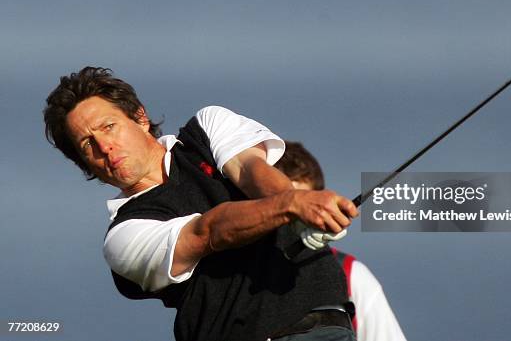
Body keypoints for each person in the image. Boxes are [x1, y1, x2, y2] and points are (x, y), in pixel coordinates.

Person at [43, 67, 360, 341]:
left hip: (323, 325)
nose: (105, 146)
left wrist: (301, 206)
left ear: (139, 117)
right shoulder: (123, 237)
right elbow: (208, 231)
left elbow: (252, 171)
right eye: (87, 144)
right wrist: (292, 206)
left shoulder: (207, 128)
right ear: (84, 163)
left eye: (108, 127)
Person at [275, 142, 408, 341]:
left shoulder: (350, 275)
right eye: (283, 206)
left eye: (304, 208)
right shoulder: (223, 267)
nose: (292, 218)